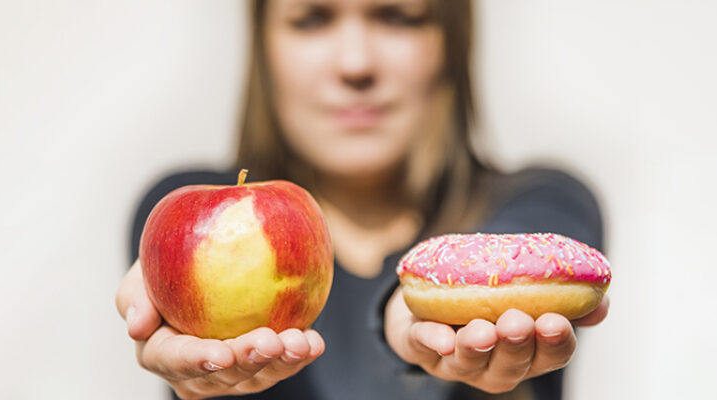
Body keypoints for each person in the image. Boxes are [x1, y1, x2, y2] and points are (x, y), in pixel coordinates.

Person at [115, 0, 610, 399]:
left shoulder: (545, 201)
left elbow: (519, 259)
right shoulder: (177, 214)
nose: (356, 64)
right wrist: (171, 282)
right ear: (264, 44)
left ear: (449, 42)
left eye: (398, 16)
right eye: (311, 19)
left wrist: (415, 310)